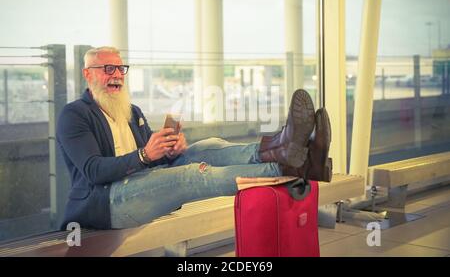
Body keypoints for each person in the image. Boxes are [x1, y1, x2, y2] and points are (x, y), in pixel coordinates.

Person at [56, 46, 332, 230]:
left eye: (120, 69)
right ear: (87, 74)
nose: (116, 76)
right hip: (108, 202)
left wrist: (170, 148)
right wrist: (144, 155)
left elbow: (152, 157)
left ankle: (284, 148)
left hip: (144, 182)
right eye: (108, 69)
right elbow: (93, 171)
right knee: (192, 175)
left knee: (210, 146)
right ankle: (291, 166)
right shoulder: (75, 115)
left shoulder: (130, 111)